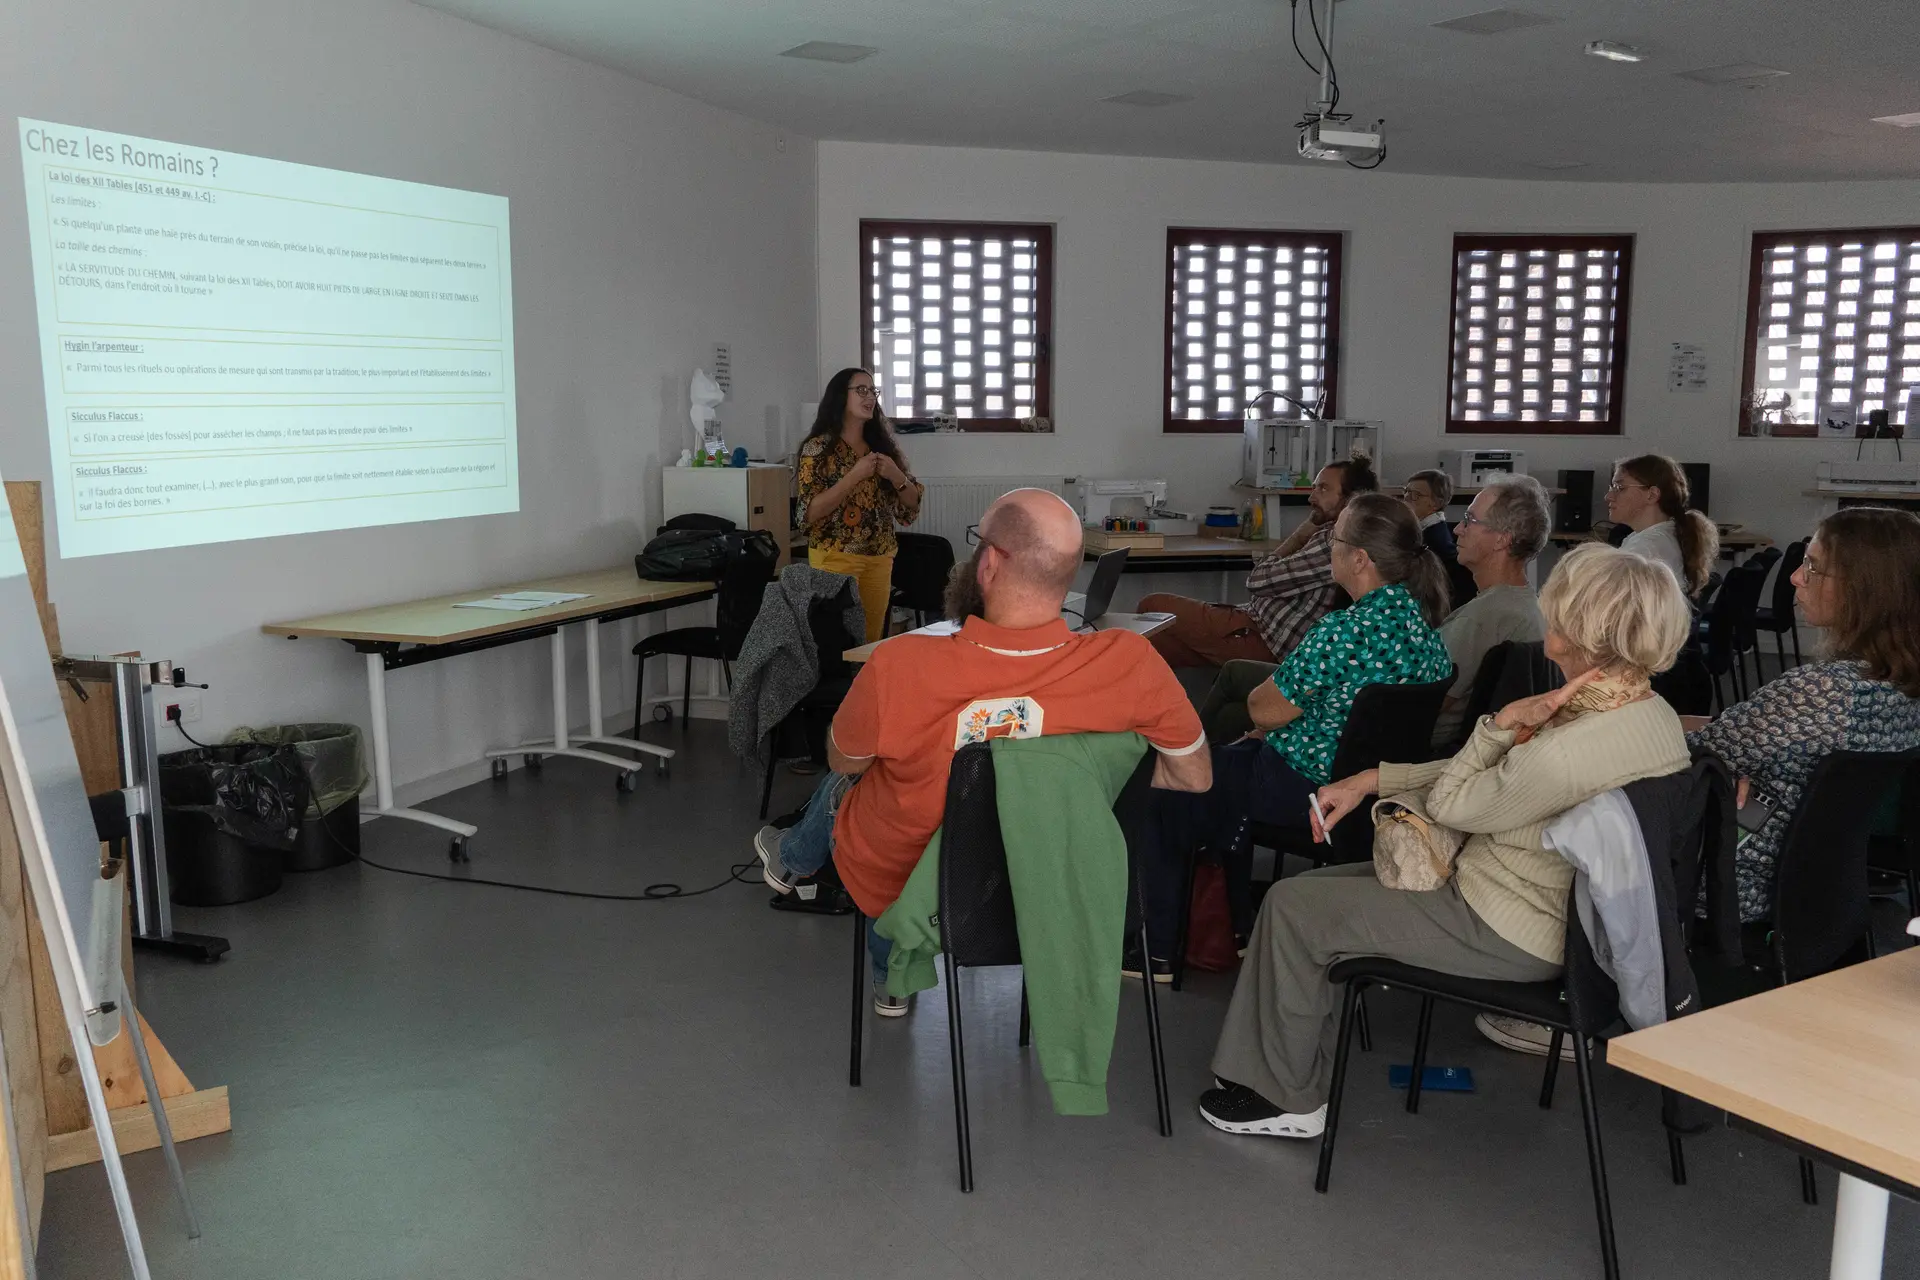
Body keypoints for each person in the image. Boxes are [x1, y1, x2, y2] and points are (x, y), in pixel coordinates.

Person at [1198, 544, 1691, 1138]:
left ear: (1578, 630)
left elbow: (1461, 799)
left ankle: (1286, 1099)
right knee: (1302, 897)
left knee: (1293, 908)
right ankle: (1266, 1068)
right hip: (1542, 906)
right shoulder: (1646, 713)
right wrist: (1376, 779)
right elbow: (1503, 779)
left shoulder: (1566, 747)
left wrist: (1498, 726)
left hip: (1509, 923)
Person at [753, 489, 1211, 1016]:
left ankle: (887, 971)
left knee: (856, 780)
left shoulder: (899, 664)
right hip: (1045, 889)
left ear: (989, 563)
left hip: (920, 893)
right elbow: (1193, 776)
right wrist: (1062, 773)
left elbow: (842, 759)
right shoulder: (1131, 661)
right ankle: (796, 860)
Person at [1136, 493, 1454, 978]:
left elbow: (1263, 710)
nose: (1328, 548)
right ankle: (1232, 928)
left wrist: (1265, 725)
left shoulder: (1344, 630)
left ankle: (1157, 947)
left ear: (1360, 559)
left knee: (1170, 784)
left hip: (1303, 789)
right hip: (1372, 792)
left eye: (1335, 540)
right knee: (1229, 769)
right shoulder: (1425, 632)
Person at [1683, 507, 1920, 924]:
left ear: (1865, 587)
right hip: (1825, 893)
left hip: (1733, 884)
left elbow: (1684, 758)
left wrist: (1717, 767)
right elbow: (1740, 741)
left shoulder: (1821, 690)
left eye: (1812, 566)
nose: (1795, 577)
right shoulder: (1898, 685)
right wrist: (1732, 766)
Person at [1139, 455, 1378, 669]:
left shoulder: (1335, 541)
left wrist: (1298, 537)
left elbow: (1257, 581)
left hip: (1267, 639)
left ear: (1351, 499)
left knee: (1153, 606)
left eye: (1323, 489)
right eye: (1314, 487)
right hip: (1256, 621)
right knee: (1154, 645)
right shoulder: (1344, 535)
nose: (1311, 497)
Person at [795, 368, 925, 642]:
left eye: (873, 391)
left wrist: (897, 477)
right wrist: (853, 476)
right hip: (835, 555)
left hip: (879, 557)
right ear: (841, 396)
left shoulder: (882, 448)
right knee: (836, 641)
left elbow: (911, 506)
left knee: (870, 639)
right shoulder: (818, 448)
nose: (870, 398)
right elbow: (808, 513)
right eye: (861, 390)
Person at [1429, 474, 1552, 748]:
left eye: (1469, 520)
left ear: (1501, 540)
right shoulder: (1533, 606)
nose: (1457, 529)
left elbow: (1421, 704)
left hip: (1434, 751)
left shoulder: (1483, 617)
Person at [1605, 454, 1718, 597]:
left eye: (1619, 487)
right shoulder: (1656, 537)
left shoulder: (1647, 549)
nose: (1608, 496)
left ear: (1652, 495)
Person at [1402, 469, 1475, 608]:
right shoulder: (1425, 529)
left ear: (1436, 503)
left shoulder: (1434, 540)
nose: (1406, 498)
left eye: (1416, 495)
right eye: (1406, 491)